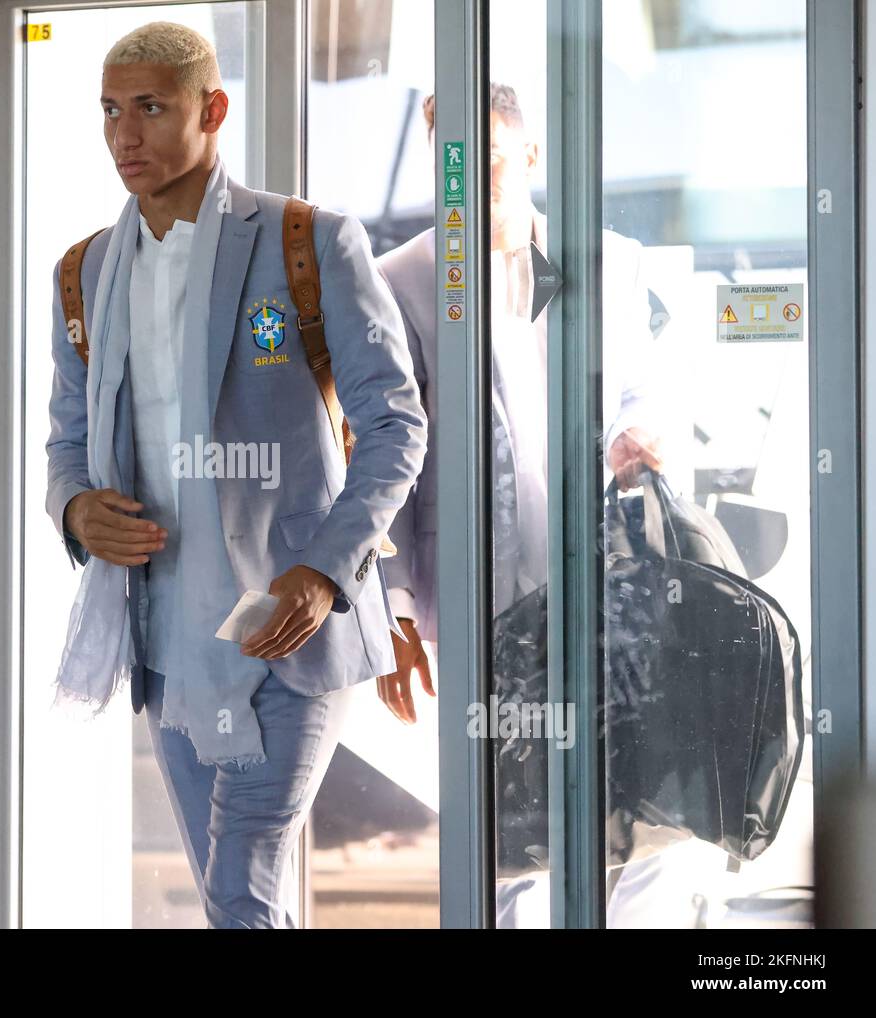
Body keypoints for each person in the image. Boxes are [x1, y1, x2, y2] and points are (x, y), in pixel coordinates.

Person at [44, 21, 426, 929]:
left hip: (289, 630)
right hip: (164, 638)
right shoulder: (86, 270)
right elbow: (66, 441)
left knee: (240, 885)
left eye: (150, 108)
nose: (124, 136)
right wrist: (75, 511)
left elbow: (396, 425)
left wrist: (327, 570)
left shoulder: (312, 241)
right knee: (234, 896)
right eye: (109, 111)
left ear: (212, 110)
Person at [376, 84, 718, 928]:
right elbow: (383, 452)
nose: (467, 182)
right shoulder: (402, 278)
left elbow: (644, 386)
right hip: (472, 598)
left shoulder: (606, 259)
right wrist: (389, 611)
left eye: (486, 160)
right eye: (449, 165)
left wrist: (642, 432)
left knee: (639, 805)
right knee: (504, 827)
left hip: (602, 588)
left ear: (528, 157)